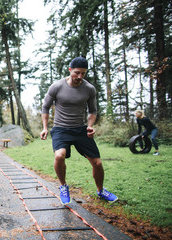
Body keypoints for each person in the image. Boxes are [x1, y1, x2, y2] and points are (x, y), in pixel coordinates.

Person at [40, 56, 118, 205]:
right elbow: (45, 107)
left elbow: (93, 110)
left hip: (81, 129)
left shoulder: (89, 88)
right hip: (60, 129)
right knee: (59, 156)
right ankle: (63, 187)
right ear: (70, 70)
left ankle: (101, 191)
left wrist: (90, 125)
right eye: (77, 72)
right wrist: (44, 128)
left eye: (83, 73)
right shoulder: (56, 86)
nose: (79, 76)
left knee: (97, 163)